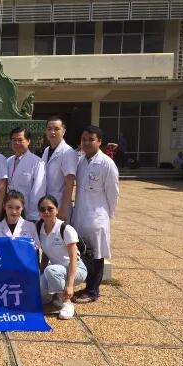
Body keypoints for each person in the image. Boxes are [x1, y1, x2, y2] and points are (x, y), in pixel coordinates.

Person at [72, 125, 120, 304]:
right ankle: (87, 286)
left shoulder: (106, 163)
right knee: (84, 252)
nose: (86, 143)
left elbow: (113, 193)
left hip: (97, 216)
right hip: (80, 213)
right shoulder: (80, 161)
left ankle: (93, 291)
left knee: (97, 254)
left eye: (91, 139)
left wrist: (107, 215)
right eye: (84, 139)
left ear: (99, 141)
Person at [36, 195, 87, 320]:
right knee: (38, 291)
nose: (46, 212)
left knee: (51, 270)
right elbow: (46, 253)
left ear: (57, 210)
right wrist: (41, 273)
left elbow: (73, 259)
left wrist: (70, 286)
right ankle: (53, 299)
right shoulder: (39, 228)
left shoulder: (66, 229)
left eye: (50, 208)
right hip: (57, 271)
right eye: (42, 209)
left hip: (76, 270)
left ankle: (65, 302)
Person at [41, 116, 79, 222]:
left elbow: (69, 183)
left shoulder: (68, 152)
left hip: (60, 205)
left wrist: (63, 209)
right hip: (46, 203)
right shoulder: (47, 150)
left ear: (64, 131)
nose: (52, 132)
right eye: (49, 129)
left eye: (56, 129)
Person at [7, 127, 46, 222]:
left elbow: (38, 191)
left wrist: (33, 216)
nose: (16, 143)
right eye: (14, 140)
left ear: (28, 141)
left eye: (20, 140)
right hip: (10, 211)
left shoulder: (37, 162)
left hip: (28, 212)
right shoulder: (8, 161)